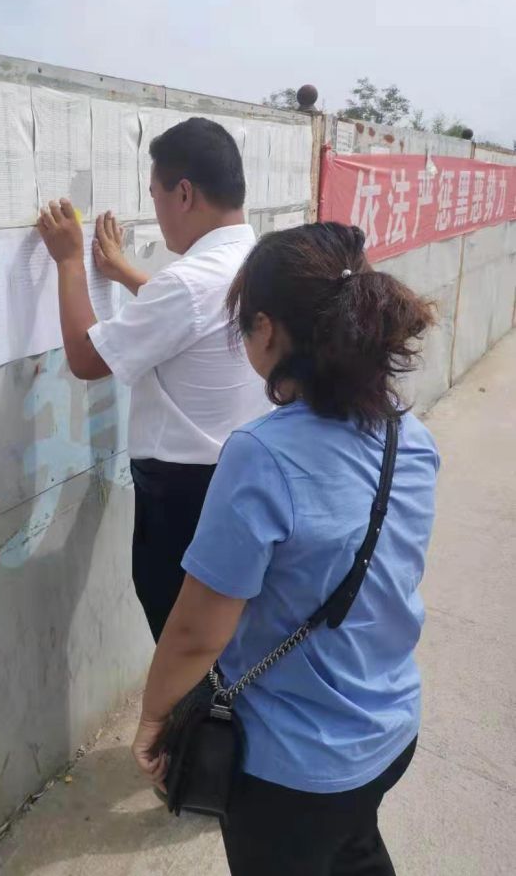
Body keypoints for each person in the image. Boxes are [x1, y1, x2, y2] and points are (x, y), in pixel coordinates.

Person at [132, 222, 440, 875]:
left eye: (242, 326)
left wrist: (154, 718)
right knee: (353, 844)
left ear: (267, 331)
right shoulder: (409, 436)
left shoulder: (261, 455)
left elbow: (195, 632)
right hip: (390, 729)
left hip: (294, 770)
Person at [37, 117, 270, 641]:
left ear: (184, 193)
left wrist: (70, 261)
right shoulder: (259, 259)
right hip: (242, 479)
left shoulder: (187, 283)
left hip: (185, 498)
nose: (157, 210)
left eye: (155, 195)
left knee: (184, 639)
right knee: (227, 634)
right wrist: (123, 272)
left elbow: (87, 359)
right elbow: (196, 319)